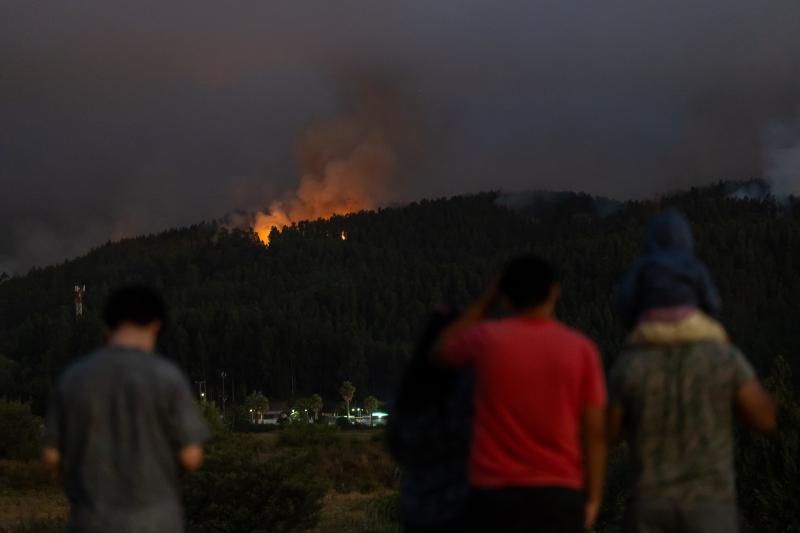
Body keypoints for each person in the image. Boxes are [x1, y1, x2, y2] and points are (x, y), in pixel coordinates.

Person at [608, 211, 777, 533]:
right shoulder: (721, 358)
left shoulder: (630, 364)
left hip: (649, 508)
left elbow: (610, 432)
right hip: (711, 508)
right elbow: (764, 418)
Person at [435, 255, 607, 532]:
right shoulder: (582, 350)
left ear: (505, 295)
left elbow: (441, 350)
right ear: (554, 291)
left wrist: (485, 302)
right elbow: (595, 432)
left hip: (494, 495)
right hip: (559, 495)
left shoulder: (486, 339)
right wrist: (594, 498)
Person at [42, 286, 210, 533]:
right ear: (155, 325)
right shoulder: (168, 378)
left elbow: (51, 456)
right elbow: (191, 456)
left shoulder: (73, 378)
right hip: (157, 521)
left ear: (106, 326)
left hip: (90, 521)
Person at [387, 308, 474, 532]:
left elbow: (395, 445)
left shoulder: (409, 391)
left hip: (417, 509)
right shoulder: (466, 389)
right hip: (461, 509)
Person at [616, 208, 723, 336]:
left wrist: (632, 326)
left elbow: (625, 300)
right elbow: (712, 303)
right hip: (691, 326)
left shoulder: (642, 266)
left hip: (651, 329)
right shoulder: (694, 265)